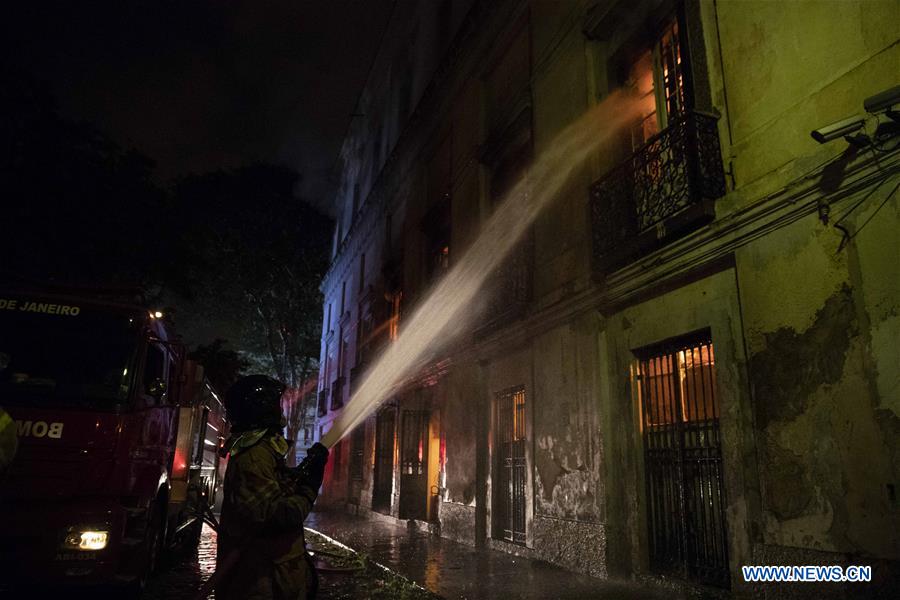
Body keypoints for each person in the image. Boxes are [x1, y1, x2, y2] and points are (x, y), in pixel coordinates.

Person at [217, 375, 329, 600]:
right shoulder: (254, 457)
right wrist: (309, 487)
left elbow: (274, 490)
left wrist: (302, 472)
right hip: (261, 583)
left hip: (272, 578)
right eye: (277, 404)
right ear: (263, 409)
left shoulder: (262, 452)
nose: (281, 410)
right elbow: (275, 516)